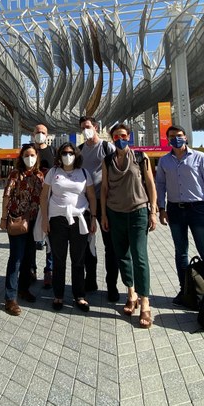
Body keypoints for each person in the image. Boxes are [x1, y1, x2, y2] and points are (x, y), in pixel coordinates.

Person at [156, 125, 204, 305]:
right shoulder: (164, 161)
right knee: (181, 252)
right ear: (167, 139)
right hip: (175, 209)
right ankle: (185, 291)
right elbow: (160, 185)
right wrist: (161, 208)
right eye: (171, 136)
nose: (175, 139)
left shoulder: (200, 157)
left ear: (185, 137)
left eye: (178, 135)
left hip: (198, 209)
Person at [101, 123, 158, 328]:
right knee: (122, 255)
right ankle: (130, 293)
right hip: (115, 213)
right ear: (112, 139)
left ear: (129, 136)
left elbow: (151, 184)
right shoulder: (107, 161)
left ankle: (144, 303)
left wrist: (153, 211)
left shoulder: (141, 157)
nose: (120, 139)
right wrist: (103, 215)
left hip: (138, 212)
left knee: (139, 256)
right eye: (115, 136)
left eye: (123, 135)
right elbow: (104, 189)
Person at [40, 142, 97, 312]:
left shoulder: (84, 173)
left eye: (71, 152)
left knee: (78, 259)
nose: (67, 155)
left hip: (79, 218)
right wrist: (44, 219)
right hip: (57, 219)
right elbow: (44, 197)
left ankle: (79, 295)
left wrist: (93, 218)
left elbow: (92, 197)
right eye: (64, 153)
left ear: (76, 155)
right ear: (59, 155)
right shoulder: (53, 172)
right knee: (59, 259)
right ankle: (58, 295)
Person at [0, 143, 45, 315]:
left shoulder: (40, 176)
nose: (30, 158)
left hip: (33, 222)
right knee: (16, 258)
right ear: (21, 157)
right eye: (26, 155)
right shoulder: (15, 174)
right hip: (17, 221)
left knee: (29, 258)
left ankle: (24, 288)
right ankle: (10, 297)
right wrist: (3, 218)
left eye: (33, 155)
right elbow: (6, 195)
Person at [78, 114, 118, 301]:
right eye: (82, 128)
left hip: (106, 205)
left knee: (110, 247)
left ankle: (112, 286)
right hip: (86, 205)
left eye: (88, 126)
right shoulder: (79, 150)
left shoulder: (106, 147)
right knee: (88, 245)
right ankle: (90, 281)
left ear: (95, 127)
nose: (85, 130)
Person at [32, 124, 55, 289]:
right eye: (37, 132)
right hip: (31, 201)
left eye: (43, 132)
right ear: (33, 134)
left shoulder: (53, 152)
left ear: (47, 135)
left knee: (50, 237)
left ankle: (50, 270)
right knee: (31, 237)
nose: (40, 134)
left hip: (50, 200)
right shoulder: (28, 151)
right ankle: (31, 269)